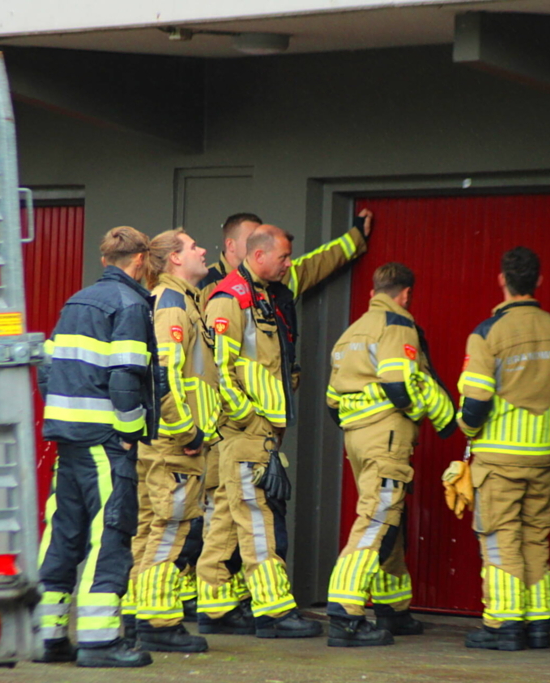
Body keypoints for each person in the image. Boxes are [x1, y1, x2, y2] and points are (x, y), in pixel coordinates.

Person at [195, 211, 373, 634]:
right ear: (258, 255)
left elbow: (313, 266)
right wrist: (247, 416)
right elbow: (218, 370)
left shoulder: (267, 292)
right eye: (284, 258)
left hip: (259, 427)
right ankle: (274, 611)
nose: (290, 264)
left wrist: (354, 238)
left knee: (227, 515)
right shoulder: (230, 298)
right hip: (246, 428)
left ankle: (215, 606)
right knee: (257, 516)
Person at [459, 246, 550, 652]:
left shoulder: (487, 333)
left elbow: (475, 404)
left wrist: (466, 429)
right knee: (535, 538)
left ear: (502, 280)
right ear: (538, 280)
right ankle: (539, 624)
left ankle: (504, 625)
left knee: (500, 538)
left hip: (498, 461)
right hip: (542, 458)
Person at [35, 226, 160, 668]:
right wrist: (128, 431)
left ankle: (47, 636)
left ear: (106, 259)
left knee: (62, 535)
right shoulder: (130, 304)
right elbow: (126, 376)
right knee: (109, 535)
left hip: (68, 439)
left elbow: (46, 367)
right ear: (140, 260)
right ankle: (100, 640)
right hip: (105, 443)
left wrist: (65, 415)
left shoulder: (76, 301)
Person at [323, 262, 455, 647]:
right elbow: (399, 385)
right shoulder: (396, 325)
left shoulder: (350, 332)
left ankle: (392, 608)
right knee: (378, 517)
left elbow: (332, 401)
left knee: (388, 515)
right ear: (405, 294)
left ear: (373, 292)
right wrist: (420, 412)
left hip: (356, 435)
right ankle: (345, 612)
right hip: (386, 433)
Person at [129, 229, 222, 653]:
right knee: (170, 527)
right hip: (175, 442)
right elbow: (163, 376)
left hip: (164, 439)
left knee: (150, 527)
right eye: (193, 246)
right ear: (175, 259)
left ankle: (136, 612)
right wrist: (188, 432)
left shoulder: (180, 300)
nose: (203, 250)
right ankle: (157, 621)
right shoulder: (171, 304)